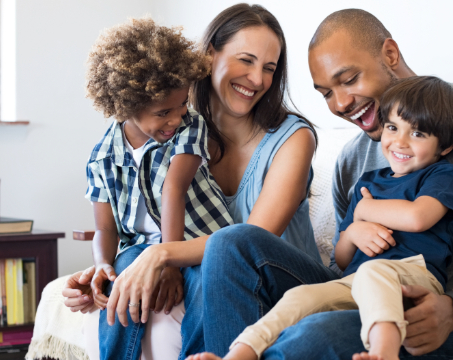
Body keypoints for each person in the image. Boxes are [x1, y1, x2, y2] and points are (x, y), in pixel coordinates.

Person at [198, 8, 453, 359]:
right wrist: (352, 235)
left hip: (447, 323)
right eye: (325, 93)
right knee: (231, 243)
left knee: (313, 335)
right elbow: (346, 264)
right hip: (362, 297)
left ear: (390, 54)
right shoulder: (352, 161)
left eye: (350, 79)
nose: (340, 104)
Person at [62, 4, 331, 359]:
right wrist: (108, 271)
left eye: (269, 68)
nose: (258, 80)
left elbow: (245, 246)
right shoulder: (171, 129)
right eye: (246, 60)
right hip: (207, 273)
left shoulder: (293, 139)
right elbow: (139, 223)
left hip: (276, 284)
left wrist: (161, 256)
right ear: (208, 56)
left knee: (206, 277)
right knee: (130, 301)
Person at [188, 75, 453, 360]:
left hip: (414, 280)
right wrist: (353, 234)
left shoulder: (442, 175)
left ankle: (384, 352)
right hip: (357, 282)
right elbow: (343, 258)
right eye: (393, 127)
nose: (400, 142)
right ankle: (236, 355)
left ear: (443, 147)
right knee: (300, 297)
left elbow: (418, 218)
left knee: (375, 271)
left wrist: (363, 212)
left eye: (418, 134)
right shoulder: (368, 182)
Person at [80, 17, 236, 360]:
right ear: (127, 107)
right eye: (164, 111)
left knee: (204, 286)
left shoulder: (189, 127)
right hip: (140, 248)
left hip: (200, 243)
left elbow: (173, 189)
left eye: (182, 105)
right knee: (122, 275)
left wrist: (168, 263)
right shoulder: (102, 157)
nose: (176, 118)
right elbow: (105, 227)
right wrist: (103, 264)